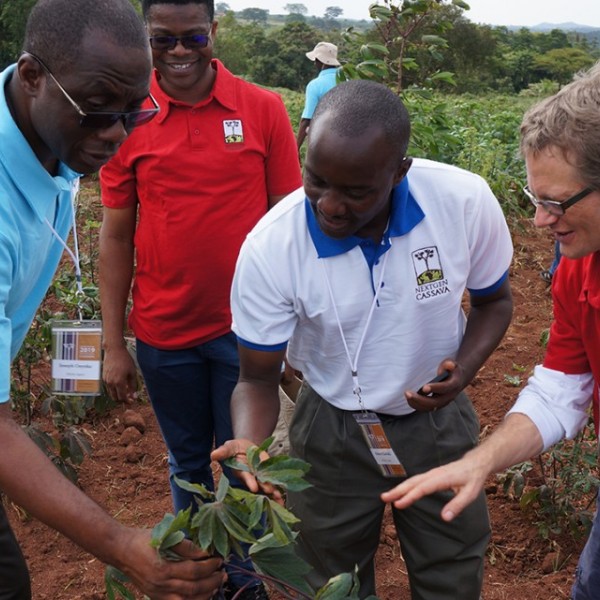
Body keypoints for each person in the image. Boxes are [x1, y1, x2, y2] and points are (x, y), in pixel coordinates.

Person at [212, 79, 514, 600]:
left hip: (435, 424)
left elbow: (494, 302)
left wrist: (462, 369)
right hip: (329, 429)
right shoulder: (271, 247)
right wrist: (249, 441)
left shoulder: (462, 202)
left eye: (356, 192)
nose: (330, 206)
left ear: (399, 170)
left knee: (451, 563)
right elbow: (257, 378)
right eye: (317, 181)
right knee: (325, 576)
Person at [0, 0, 224, 598]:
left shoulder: (51, 124)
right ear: (31, 75)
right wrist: (120, 544)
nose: (116, 135)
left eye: (133, 112)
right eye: (99, 113)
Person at [98, 0, 302, 597]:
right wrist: (114, 344)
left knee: (245, 466)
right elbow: (115, 235)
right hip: (164, 333)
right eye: (164, 40)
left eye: (193, 37)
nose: (181, 52)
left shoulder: (261, 109)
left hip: (250, 335)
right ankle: (201, 579)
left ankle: (246, 582)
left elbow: (289, 224)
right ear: (146, 39)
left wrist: (294, 333)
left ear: (213, 32)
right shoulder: (129, 117)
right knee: (188, 467)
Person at [381, 62, 600, 600]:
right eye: (534, 200)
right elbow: (563, 388)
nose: (539, 222)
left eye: (555, 203)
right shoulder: (578, 270)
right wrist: (482, 459)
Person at [296, 41, 341, 150]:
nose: (314, 63)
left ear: (320, 61)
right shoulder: (346, 80)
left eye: (316, 60)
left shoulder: (315, 85)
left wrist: (295, 148)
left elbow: (306, 120)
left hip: (323, 140)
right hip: (346, 138)